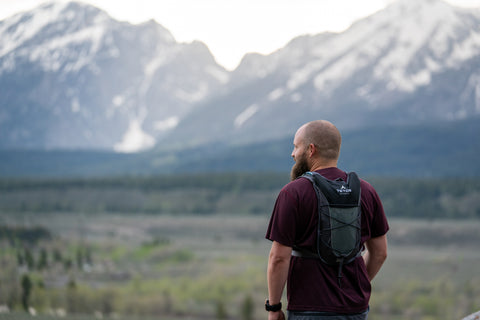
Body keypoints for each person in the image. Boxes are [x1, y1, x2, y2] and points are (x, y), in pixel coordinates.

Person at [265, 120, 389, 320]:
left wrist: (274, 308)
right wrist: (353, 287)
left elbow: (279, 258)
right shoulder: (366, 191)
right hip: (355, 310)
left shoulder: (293, 193)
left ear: (311, 149)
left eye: (296, 146)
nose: (293, 154)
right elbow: (380, 253)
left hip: (309, 309)